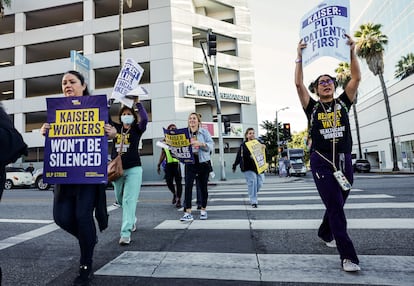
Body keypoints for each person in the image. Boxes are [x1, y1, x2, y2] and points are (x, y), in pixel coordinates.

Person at [40, 70, 116, 286]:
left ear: (83, 86)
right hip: (64, 176)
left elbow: (114, 136)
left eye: (72, 81)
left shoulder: (98, 109)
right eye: (64, 83)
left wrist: (113, 134)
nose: (67, 85)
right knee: (61, 218)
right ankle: (89, 239)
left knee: (83, 217)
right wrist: (46, 130)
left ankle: (86, 264)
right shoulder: (58, 111)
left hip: (88, 177)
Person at [295, 34, 361, 272]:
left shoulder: (344, 102)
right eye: (321, 81)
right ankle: (349, 257)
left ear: (334, 86)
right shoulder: (312, 107)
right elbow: (298, 85)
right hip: (321, 163)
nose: (326, 83)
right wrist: (299, 57)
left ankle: (324, 231)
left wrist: (352, 51)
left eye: (329, 81)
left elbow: (356, 77)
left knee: (338, 203)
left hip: (344, 162)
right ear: (316, 88)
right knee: (335, 208)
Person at [110, 97, 148, 246]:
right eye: (124, 114)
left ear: (133, 116)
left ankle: (125, 233)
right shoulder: (115, 128)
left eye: (129, 114)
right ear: (120, 117)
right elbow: (103, 117)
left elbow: (144, 118)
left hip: (134, 169)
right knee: (120, 200)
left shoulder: (137, 129)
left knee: (128, 200)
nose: (127, 116)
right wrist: (110, 101)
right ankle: (131, 219)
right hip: (117, 170)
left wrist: (137, 103)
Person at [180, 112, 214, 221]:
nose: (192, 120)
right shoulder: (184, 133)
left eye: (194, 118)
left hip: (203, 162)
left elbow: (211, 145)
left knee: (203, 187)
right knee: (188, 187)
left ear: (198, 121)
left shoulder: (204, 132)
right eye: (190, 118)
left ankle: (203, 210)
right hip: (190, 162)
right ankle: (188, 212)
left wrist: (201, 144)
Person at [232, 128, 265, 208]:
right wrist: (235, 165)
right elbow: (239, 156)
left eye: (253, 133)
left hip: (258, 167)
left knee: (260, 183)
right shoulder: (243, 145)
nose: (252, 134)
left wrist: (263, 147)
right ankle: (254, 201)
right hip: (248, 167)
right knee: (252, 181)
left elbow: (263, 154)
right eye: (250, 133)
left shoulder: (258, 143)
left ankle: (252, 193)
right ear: (247, 135)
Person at [157, 123, 183, 208]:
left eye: (174, 128)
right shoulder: (165, 141)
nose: (173, 129)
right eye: (171, 128)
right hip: (168, 164)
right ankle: (174, 193)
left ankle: (179, 199)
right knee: (168, 182)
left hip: (177, 164)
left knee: (178, 182)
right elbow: (163, 153)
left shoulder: (179, 140)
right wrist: (159, 164)